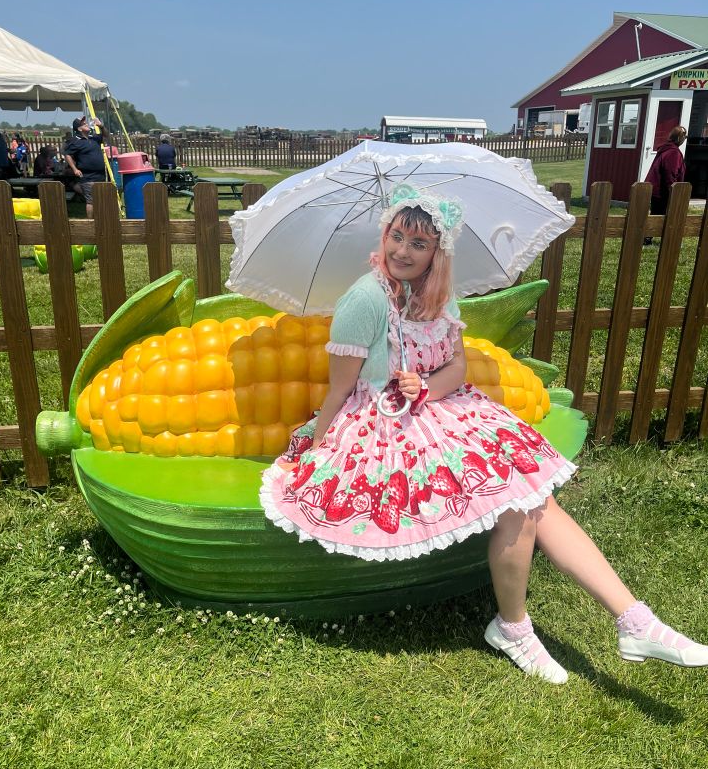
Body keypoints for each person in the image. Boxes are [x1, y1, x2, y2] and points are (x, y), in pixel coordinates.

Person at [261, 183, 708, 684]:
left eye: (418, 243)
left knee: (536, 496)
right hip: (380, 423)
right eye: (397, 237)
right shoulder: (364, 301)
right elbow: (341, 389)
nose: (402, 252)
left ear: (437, 253)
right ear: (384, 235)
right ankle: (519, 626)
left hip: (441, 408)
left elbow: (456, 367)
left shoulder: (437, 296)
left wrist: (425, 386)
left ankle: (633, 620)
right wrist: (319, 446)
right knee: (520, 501)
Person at [643, 125, 687, 245]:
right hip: (663, 190)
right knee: (664, 214)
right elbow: (670, 173)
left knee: (657, 213)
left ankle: (649, 237)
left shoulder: (666, 149)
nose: (684, 140)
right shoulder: (673, 152)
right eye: (684, 137)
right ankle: (649, 238)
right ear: (679, 138)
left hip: (657, 188)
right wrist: (673, 191)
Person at [63, 115, 109, 218]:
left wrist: (101, 126)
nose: (87, 124)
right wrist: (74, 169)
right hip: (88, 176)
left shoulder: (94, 138)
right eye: (84, 124)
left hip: (100, 175)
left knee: (100, 199)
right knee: (91, 200)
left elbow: (106, 135)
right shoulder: (75, 141)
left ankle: (100, 219)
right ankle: (90, 223)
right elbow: (67, 154)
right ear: (79, 129)